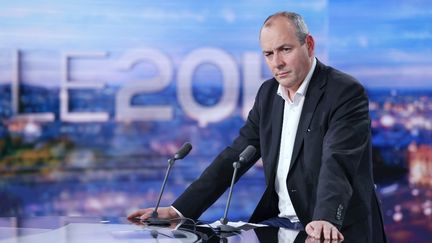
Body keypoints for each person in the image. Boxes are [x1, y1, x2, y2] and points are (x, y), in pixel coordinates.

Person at [128, 11, 387, 242]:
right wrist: (178, 211)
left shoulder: (343, 92)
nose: (277, 63)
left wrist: (326, 218)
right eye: (268, 54)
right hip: (281, 225)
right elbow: (235, 157)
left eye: (285, 50)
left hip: (333, 229)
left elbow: (337, 161)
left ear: (309, 45)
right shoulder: (267, 94)